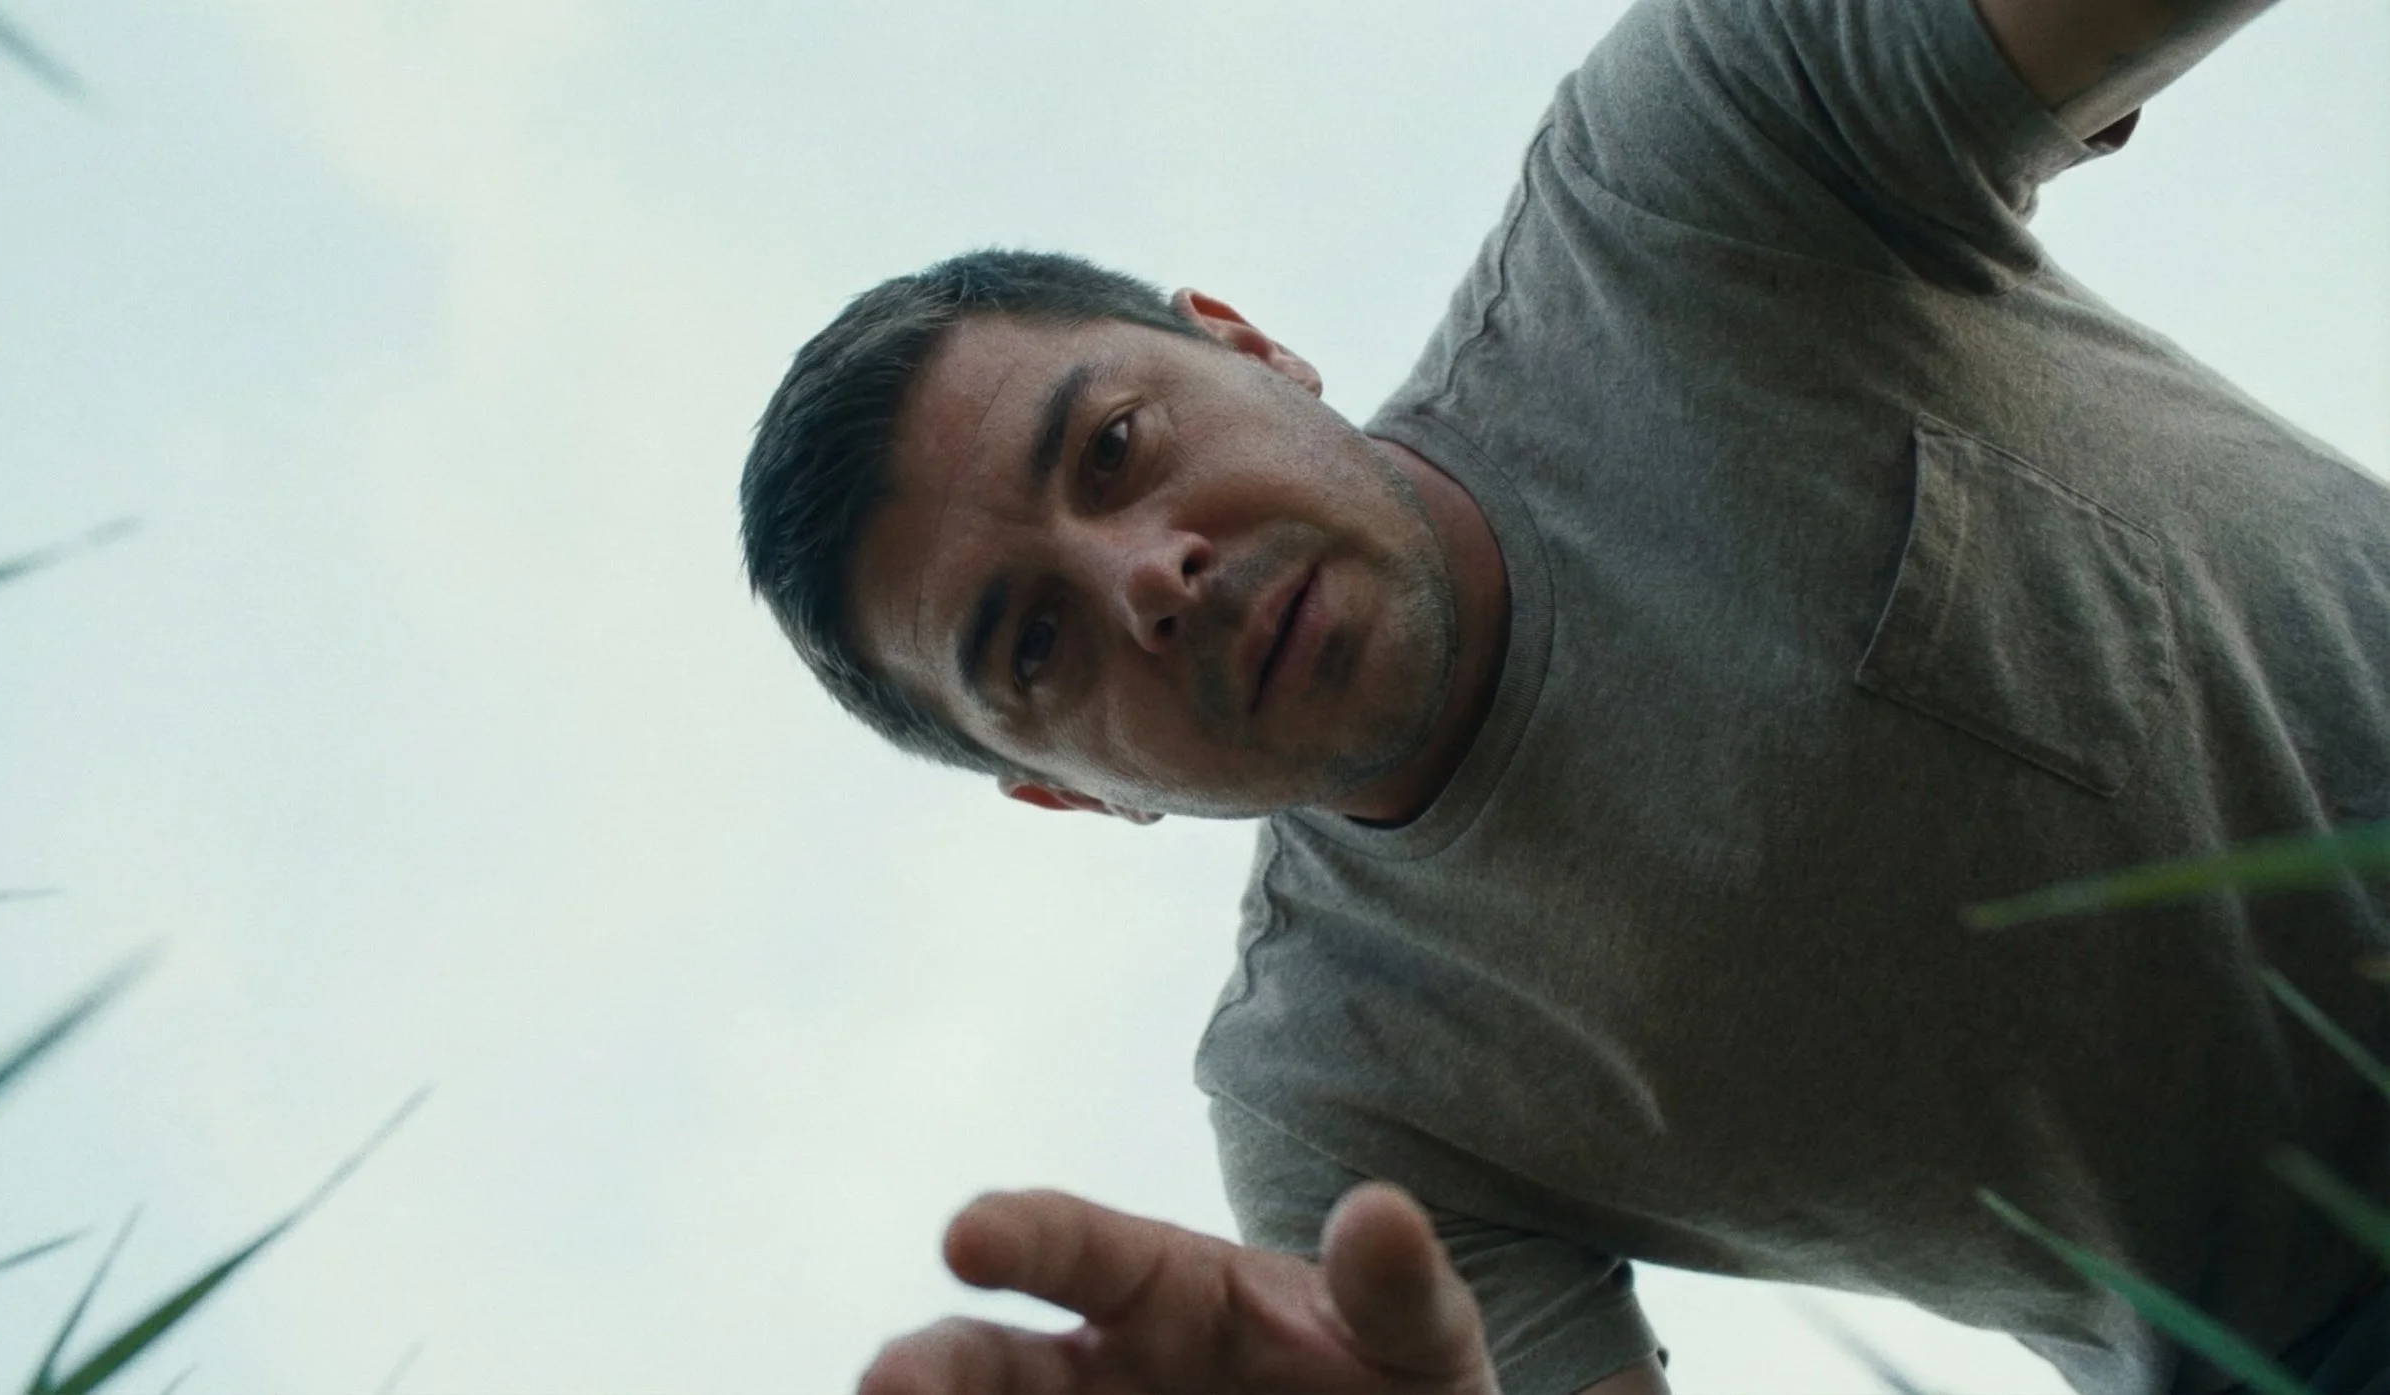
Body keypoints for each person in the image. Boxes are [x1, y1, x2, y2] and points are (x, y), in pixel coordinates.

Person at [737, 0, 2390, 1390]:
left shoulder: (1677, 191)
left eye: (1114, 446)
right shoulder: (1339, 1105)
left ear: (1245, 343)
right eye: (1033, 645)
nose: (1147, 580)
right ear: (1073, 793)